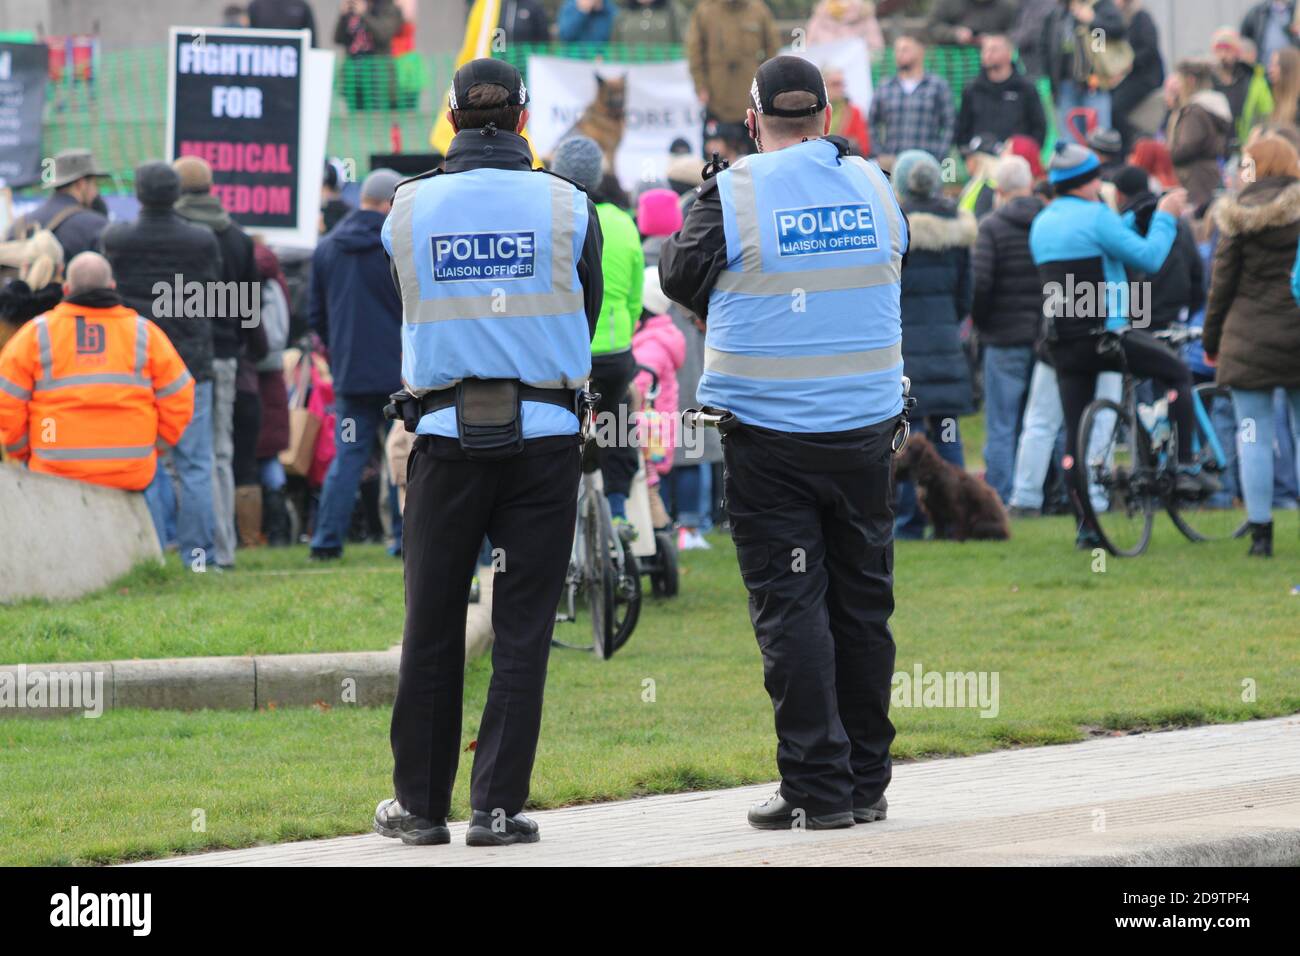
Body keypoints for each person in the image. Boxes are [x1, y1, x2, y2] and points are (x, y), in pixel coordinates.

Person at [660, 55, 907, 830]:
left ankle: (819, 788)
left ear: (753, 120)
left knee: (792, 609)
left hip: (771, 440)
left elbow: (677, 274)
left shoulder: (734, 191)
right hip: (867, 434)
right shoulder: (875, 185)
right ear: (827, 119)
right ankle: (865, 783)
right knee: (862, 607)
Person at [374, 59, 603, 848]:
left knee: (431, 624)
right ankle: (496, 809)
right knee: (524, 628)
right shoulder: (571, 205)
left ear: (449, 117)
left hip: (443, 440)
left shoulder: (406, 207)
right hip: (544, 441)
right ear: (525, 117)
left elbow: (406, 302)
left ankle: (421, 808)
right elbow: (589, 307)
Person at [1029, 143, 1210, 548]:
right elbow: (1148, 258)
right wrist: (1164, 218)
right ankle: (1182, 467)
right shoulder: (1095, 216)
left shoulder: (1043, 222)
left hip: (1064, 341)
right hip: (1108, 336)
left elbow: (1097, 246)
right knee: (1176, 372)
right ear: (1089, 181)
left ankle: (1086, 528)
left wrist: (1127, 221)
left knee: (1075, 433)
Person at [0, 253, 194, 529]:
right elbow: (180, 396)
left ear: (66, 290)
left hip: (55, 468)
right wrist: (154, 445)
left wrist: (25, 450)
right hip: (129, 468)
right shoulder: (145, 334)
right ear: (112, 287)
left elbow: (7, 401)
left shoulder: (36, 334)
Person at [102, 162, 223, 568]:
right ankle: (198, 558)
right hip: (190, 364)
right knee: (195, 465)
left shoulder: (117, 238)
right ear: (177, 194)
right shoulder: (201, 240)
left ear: (138, 194)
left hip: (134, 362)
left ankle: (148, 556)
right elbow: (215, 292)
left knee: (141, 458)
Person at [1205, 135, 1300, 557]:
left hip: (1247, 338)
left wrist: (1211, 341)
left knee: (1252, 434)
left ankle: (1261, 532)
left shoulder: (1235, 217)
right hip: (1296, 331)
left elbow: (1220, 287)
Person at [306, 168, 404, 561]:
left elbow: (315, 317)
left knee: (347, 456)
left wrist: (339, 351)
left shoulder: (328, 247)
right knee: (404, 457)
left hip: (350, 378)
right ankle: (403, 539)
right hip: (399, 375)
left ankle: (326, 541)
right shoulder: (398, 245)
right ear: (390, 204)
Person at [173, 156, 262, 570]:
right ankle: (222, 551)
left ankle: (190, 550)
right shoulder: (238, 239)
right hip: (225, 355)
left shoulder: (174, 235)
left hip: (178, 357)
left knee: (186, 456)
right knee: (220, 455)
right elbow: (249, 310)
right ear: (212, 186)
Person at [551, 136, 643, 526]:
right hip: (614, 354)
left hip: (566, 353)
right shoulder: (623, 222)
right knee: (618, 422)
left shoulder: (552, 219)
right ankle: (620, 511)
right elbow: (636, 299)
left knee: (557, 434)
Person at [890, 149, 976, 539]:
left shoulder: (893, 228)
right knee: (947, 434)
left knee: (902, 439)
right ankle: (954, 519)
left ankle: (908, 523)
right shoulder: (957, 230)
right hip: (944, 349)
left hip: (903, 350)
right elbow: (965, 297)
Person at [971, 154, 1044, 504]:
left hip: (1002, 338)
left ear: (999, 190)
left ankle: (1000, 494)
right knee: (1041, 422)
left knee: (1001, 423)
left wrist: (982, 325)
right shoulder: (1048, 221)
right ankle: (1045, 490)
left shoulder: (991, 226)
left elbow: (981, 285)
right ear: (1029, 185)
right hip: (1044, 338)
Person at [1112, 164, 1203, 333]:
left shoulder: (1120, 228)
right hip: (1175, 314)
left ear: (1118, 195)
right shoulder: (1178, 222)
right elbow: (1197, 271)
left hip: (1136, 319)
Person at [687, 0, 783, 126]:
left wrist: (765, 82)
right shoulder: (705, 11)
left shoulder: (758, 10)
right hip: (717, 100)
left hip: (751, 99)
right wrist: (701, 87)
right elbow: (695, 53)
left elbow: (772, 47)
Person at [1042, 0, 1127, 133]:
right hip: (1065, 84)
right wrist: (1052, 82)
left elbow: (1118, 30)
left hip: (1095, 83)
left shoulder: (1099, 5)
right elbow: (1046, 48)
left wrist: (1093, 20)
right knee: (1069, 137)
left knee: (1099, 134)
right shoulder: (1057, 12)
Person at [869, 33, 956, 161]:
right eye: (897, 50)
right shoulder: (885, 86)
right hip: (892, 163)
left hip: (926, 161)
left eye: (905, 49)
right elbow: (871, 122)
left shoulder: (937, 86)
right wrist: (879, 153)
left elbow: (951, 124)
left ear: (920, 52)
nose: (899, 54)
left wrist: (939, 155)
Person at [8, 150, 108, 260]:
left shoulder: (19, 225)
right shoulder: (95, 225)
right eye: (94, 184)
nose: (96, 191)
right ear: (81, 184)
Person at [955, 33, 1047, 149]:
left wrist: (1028, 153)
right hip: (981, 160)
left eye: (994, 50)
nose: (987, 55)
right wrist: (968, 155)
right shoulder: (972, 89)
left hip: (1016, 160)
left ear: (1009, 54)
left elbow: (1039, 128)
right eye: (985, 50)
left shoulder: (1025, 88)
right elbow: (962, 129)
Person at [1166, 61, 1232, 215]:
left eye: (1180, 81)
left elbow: (1188, 146)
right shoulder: (1212, 108)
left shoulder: (1195, 111)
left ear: (1190, 81)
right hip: (1209, 176)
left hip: (1195, 180)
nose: (1178, 88)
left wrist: (1168, 154)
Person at [1110, 0, 1164, 153]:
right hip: (1107, 79)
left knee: (1115, 109)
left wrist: (1126, 65)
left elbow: (1150, 47)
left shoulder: (1140, 16)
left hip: (1142, 75)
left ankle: (1130, 147)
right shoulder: (1105, 18)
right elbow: (1099, 45)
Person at [335, 0, 404, 111]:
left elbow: (384, 35)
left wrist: (364, 14)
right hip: (354, 76)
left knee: (377, 121)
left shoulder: (389, 8)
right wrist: (343, 16)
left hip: (378, 78)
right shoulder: (354, 9)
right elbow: (338, 39)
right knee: (356, 119)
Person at [1212, 30, 1274, 150]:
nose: (1223, 55)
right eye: (1219, 50)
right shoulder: (1209, 80)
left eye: (1228, 50)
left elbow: (1266, 110)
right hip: (1217, 146)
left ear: (1237, 52)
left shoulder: (1252, 78)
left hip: (1247, 144)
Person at [805, 0, 885, 54]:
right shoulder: (819, 18)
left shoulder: (866, 16)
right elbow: (809, 49)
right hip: (824, 74)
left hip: (858, 73)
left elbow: (877, 49)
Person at [1241, 0, 1300, 72]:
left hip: (1291, 70)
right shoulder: (1258, 12)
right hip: (1262, 69)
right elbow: (1244, 39)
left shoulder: (1295, 11)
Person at [825, 68, 871, 157]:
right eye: (835, 84)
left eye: (841, 84)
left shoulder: (854, 111)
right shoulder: (818, 113)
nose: (840, 88)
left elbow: (864, 146)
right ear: (825, 86)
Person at [928, 0, 1016, 46]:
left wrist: (993, 39)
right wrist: (955, 34)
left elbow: (1016, 34)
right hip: (952, 65)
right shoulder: (948, 2)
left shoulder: (1007, 7)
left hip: (994, 69)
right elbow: (932, 27)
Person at [612, 0, 688, 44]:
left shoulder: (673, 10)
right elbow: (614, 47)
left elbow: (685, 45)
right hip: (630, 68)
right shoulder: (623, 12)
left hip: (666, 68)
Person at [248, 0, 317, 45]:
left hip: (295, 61)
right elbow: (248, 39)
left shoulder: (302, 6)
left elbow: (312, 41)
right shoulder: (256, 5)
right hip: (262, 60)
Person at [1268, 46, 1300, 126]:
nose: (1270, 70)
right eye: (1271, 64)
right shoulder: (1276, 98)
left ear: (1288, 70)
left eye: (1275, 65)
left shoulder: (1297, 106)